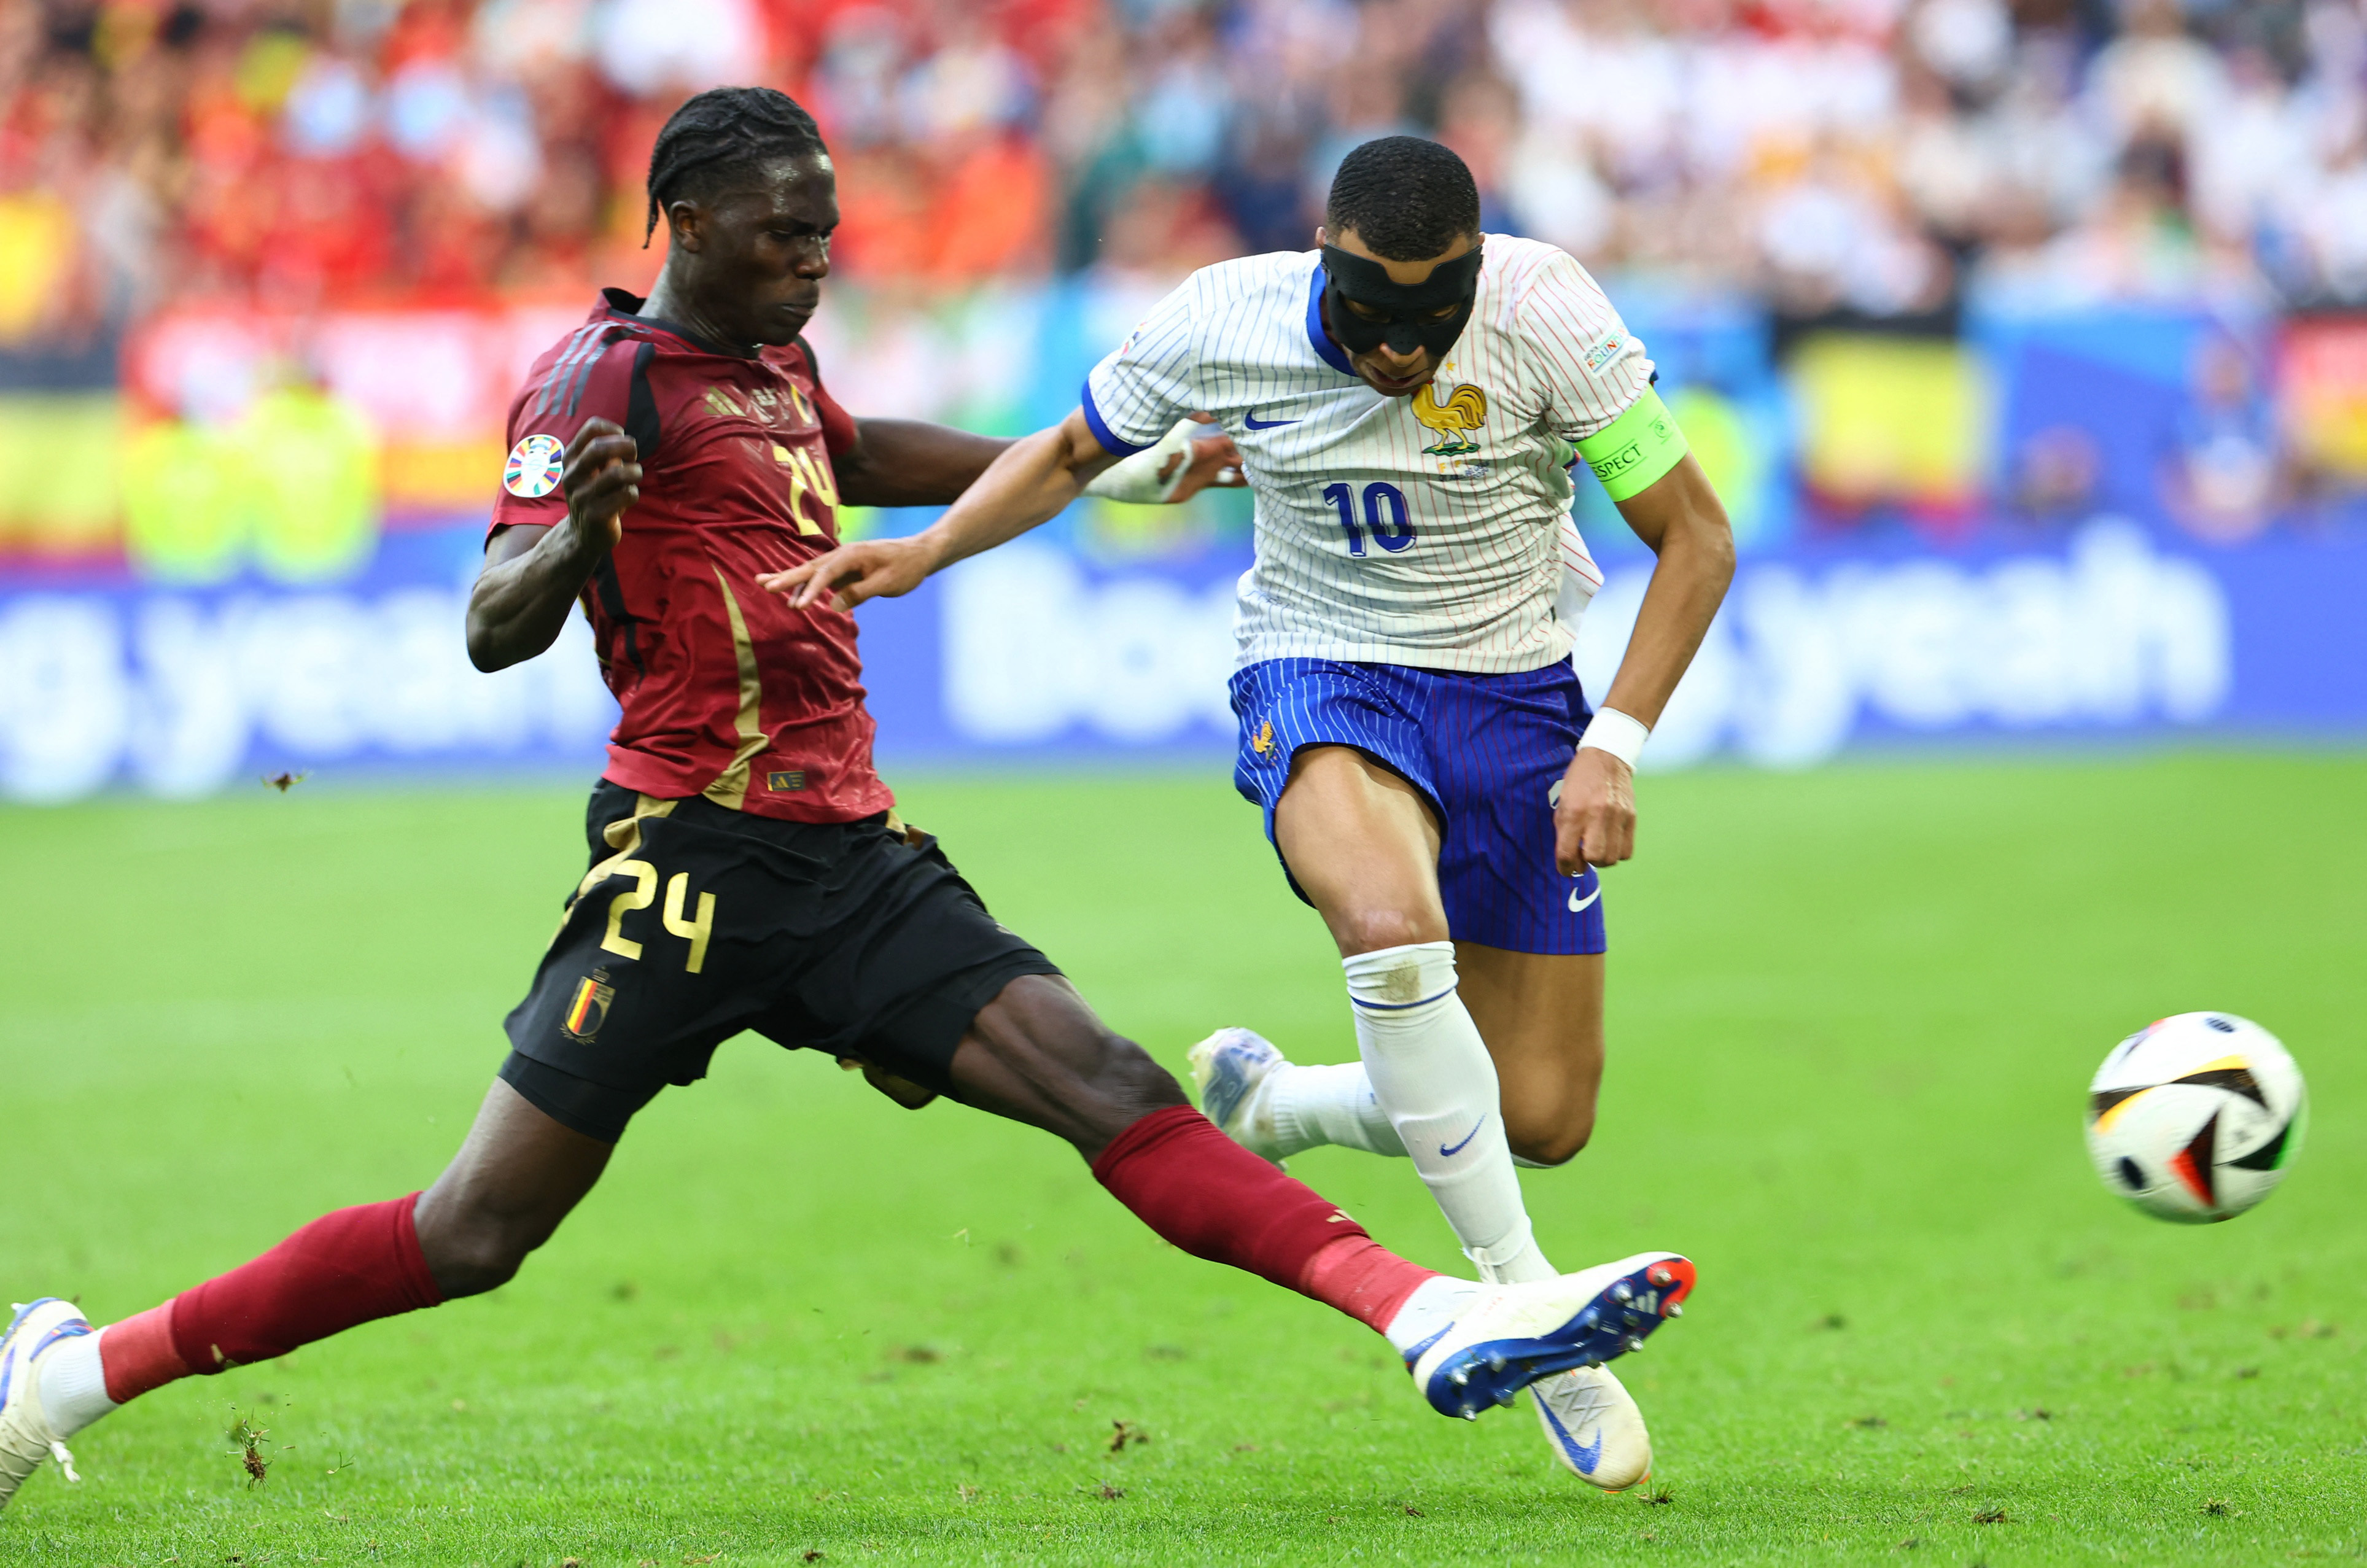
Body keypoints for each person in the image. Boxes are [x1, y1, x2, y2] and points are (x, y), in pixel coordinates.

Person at [0, 95, 1694, 1514]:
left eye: (824, 235)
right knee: (476, 1230)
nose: (813, 261)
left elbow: (864, 440)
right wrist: (577, 537)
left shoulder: (770, 366)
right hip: (686, 865)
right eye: (780, 235)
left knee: (1106, 1083)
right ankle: (72, 1375)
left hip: (851, 858)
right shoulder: (605, 384)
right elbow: (489, 620)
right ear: (679, 220)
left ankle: (1428, 1316)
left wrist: (1125, 459)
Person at [763, 135, 1733, 1492]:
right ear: (1322, 263)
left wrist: (1612, 745)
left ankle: (1291, 1099)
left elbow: (1693, 535)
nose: (1399, 352)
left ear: (1470, 274)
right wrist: (928, 549)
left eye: (1426, 319)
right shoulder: (1223, 317)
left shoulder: (1546, 310)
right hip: (1320, 670)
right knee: (1390, 929)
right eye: (1368, 316)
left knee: (1543, 1112)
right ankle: (1532, 1319)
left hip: (1517, 703)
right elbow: (1065, 451)